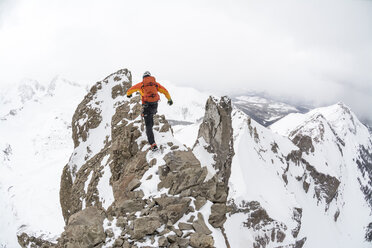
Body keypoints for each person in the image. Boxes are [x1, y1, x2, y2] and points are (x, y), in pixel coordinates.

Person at [126, 71, 173, 151]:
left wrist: (128, 95)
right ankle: (149, 121)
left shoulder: (141, 85)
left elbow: (130, 90)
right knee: (150, 116)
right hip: (155, 106)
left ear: (143, 78)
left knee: (148, 125)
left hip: (146, 106)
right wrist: (169, 99)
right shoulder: (155, 84)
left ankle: (153, 144)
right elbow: (165, 91)